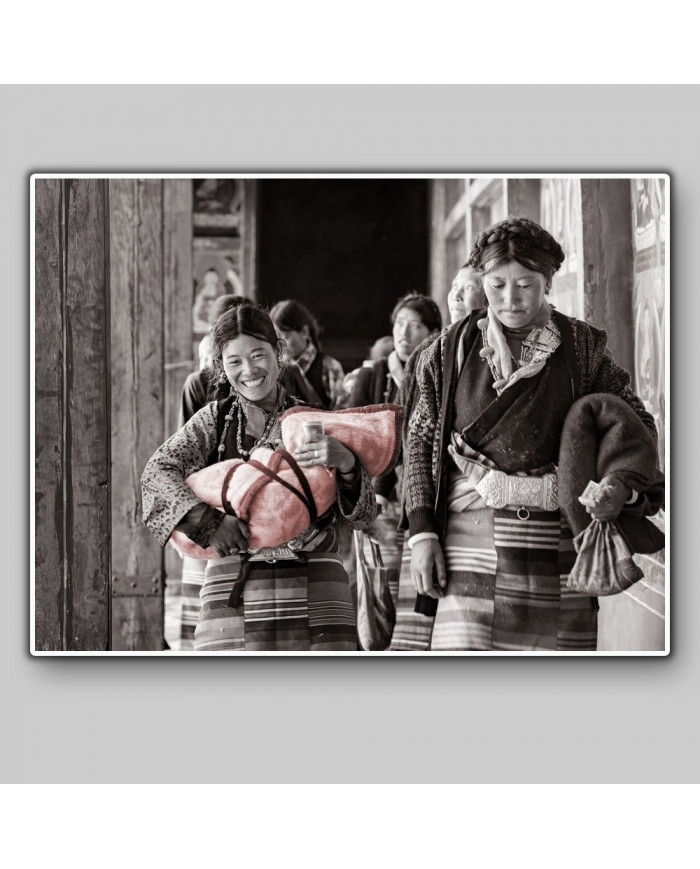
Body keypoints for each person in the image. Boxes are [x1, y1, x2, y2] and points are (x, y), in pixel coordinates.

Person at [405, 216, 660, 651]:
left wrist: (619, 484)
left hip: (558, 541)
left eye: (526, 284)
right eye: (497, 284)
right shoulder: (445, 353)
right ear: (482, 281)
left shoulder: (582, 348)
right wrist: (423, 532)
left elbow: (635, 424)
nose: (510, 298)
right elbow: (420, 440)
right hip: (468, 541)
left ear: (548, 281)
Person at [142, 304, 377, 652]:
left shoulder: (313, 420)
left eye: (258, 355)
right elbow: (155, 475)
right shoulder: (214, 422)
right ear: (220, 366)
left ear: (278, 353)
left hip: (316, 583)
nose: (249, 370)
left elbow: (364, 516)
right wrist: (209, 523)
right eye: (234, 361)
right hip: (234, 588)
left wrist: (346, 465)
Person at [389, 267, 485, 650]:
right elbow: (415, 441)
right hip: (432, 503)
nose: (457, 296)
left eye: (470, 288)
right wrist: (417, 522)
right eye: (454, 287)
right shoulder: (432, 356)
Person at [350, 293, 442, 605]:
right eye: (400, 324)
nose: (403, 333)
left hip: (423, 494)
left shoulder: (438, 374)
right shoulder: (373, 374)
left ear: (432, 333)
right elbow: (353, 435)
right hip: (379, 499)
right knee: (382, 588)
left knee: (421, 586)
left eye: (415, 326)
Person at [269, 300, 346, 409]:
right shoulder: (276, 367)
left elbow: (341, 413)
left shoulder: (330, 367)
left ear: (304, 332)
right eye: (276, 339)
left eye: (285, 337)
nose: (280, 345)